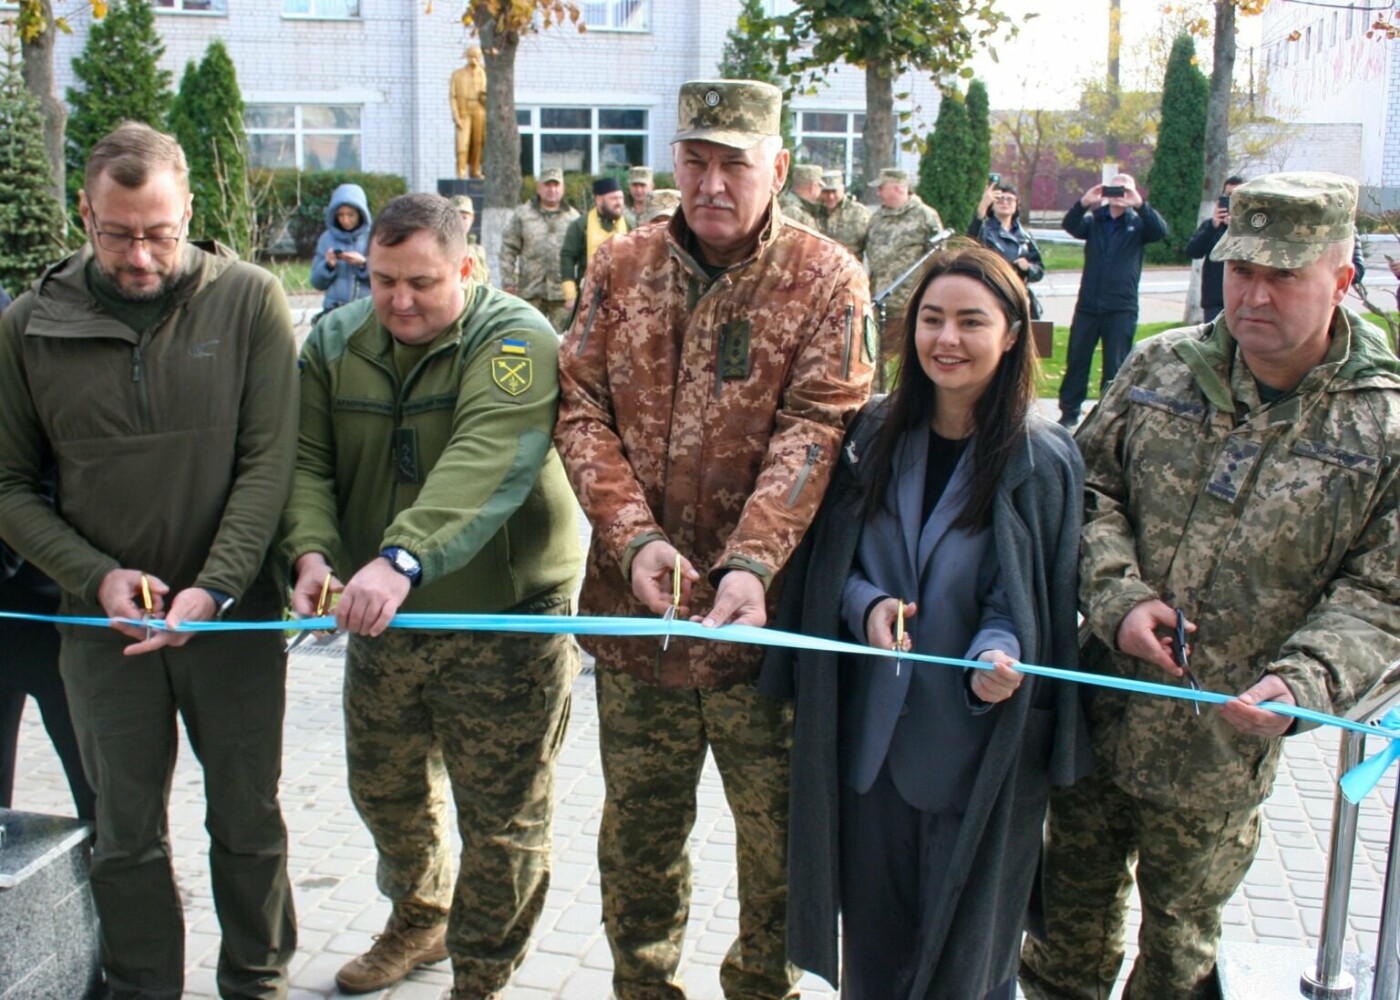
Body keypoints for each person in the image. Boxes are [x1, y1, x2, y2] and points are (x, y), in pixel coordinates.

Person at [1019, 172, 1400, 999]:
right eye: (1241, 269)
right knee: (1058, 948)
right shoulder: (1161, 368)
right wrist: (1117, 599)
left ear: (1341, 278)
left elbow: (1382, 592)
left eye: (1284, 275)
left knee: (1179, 961)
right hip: (1101, 716)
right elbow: (1085, 490)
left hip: (1222, 754)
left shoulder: (1382, 423)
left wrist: (1305, 682)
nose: (1254, 295)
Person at [554, 78, 874, 1000]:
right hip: (636, 623)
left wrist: (750, 562)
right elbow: (579, 409)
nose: (712, 184)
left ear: (779, 168)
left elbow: (819, 428)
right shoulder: (621, 268)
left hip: (755, 636)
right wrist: (630, 537)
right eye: (694, 161)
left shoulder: (826, 279)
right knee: (638, 844)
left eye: (735, 163)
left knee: (774, 854)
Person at [0, 121, 298, 998]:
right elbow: (9, 485)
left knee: (247, 821)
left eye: (160, 232)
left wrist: (214, 587)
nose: (139, 256)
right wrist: (92, 576)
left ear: (189, 212)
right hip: (102, 628)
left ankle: (258, 979)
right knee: (124, 833)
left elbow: (268, 465)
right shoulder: (30, 326)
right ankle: (140, 986)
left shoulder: (248, 302)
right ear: (83, 213)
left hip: (232, 621)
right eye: (118, 232)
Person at [762, 242, 1090, 999]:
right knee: (872, 966)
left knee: (969, 968)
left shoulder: (1040, 458)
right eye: (931, 319)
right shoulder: (872, 437)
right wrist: (867, 607)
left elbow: (1029, 598)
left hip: (974, 756)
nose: (947, 339)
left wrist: (994, 664)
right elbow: (832, 569)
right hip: (871, 752)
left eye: (971, 322)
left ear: (1013, 335)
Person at [281, 193, 581, 1000]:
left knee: (504, 815)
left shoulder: (516, 336)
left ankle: (481, 978)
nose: (400, 302)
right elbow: (305, 463)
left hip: (504, 616)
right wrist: (310, 553)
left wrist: (401, 556)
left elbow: (491, 452)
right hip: (388, 616)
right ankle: (420, 919)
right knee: (384, 784)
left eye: (422, 283)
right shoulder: (336, 342)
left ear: (468, 268)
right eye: (382, 281)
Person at [0, 285, 96, 825]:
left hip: (47, 611)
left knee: (101, 799)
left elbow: (32, 477)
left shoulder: (19, 340)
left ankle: (114, 907)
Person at [1056, 173, 1168, 428]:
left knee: (1115, 365)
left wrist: (1139, 205)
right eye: (1114, 190)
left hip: (1121, 307)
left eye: (1124, 190)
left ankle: (1109, 412)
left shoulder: (1139, 225)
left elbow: (1161, 231)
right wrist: (1085, 202)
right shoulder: (1095, 221)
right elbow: (1070, 225)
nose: (1119, 196)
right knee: (1077, 359)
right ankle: (1069, 411)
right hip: (1088, 305)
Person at [866, 167, 945, 361]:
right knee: (873, 352)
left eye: (881, 188)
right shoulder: (877, 217)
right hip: (880, 297)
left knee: (911, 353)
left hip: (909, 298)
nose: (878, 193)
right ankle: (877, 390)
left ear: (898, 189)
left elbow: (939, 256)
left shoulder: (924, 215)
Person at [499, 166, 579, 331]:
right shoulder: (523, 215)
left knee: (563, 344)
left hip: (562, 296)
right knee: (530, 340)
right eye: (547, 185)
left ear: (563, 188)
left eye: (556, 185)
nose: (552, 190)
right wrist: (508, 282)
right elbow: (508, 248)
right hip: (530, 292)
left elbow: (582, 255)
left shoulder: (573, 218)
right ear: (539, 188)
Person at [968, 181, 1045, 318]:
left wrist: (1028, 267)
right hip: (991, 295)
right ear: (992, 205)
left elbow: (1039, 270)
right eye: (999, 199)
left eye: (1010, 199)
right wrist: (981, 208)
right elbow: (970, 246)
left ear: (1016, 204)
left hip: (1018, 297)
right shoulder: (984, 231)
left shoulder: (1024, 236)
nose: (1005, 202)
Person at [560, 176, 629, 316]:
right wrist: (570, 295)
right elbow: (567, 257)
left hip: (621, 297)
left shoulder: (630, 224)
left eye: (621, 198)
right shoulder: (580, 225)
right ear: (599, 200)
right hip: (587, 297)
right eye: (613, 199)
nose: (619, 203)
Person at [1185, 174, 1245, 322]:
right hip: (1215, 301)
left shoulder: (1251, 229)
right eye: (1228, 196)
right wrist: (1213, 227)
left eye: (1237, 196)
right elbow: (1193, 251)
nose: (1232, 201)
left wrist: (1238, 228)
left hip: (1243, 299)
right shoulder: (1211, 226)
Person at [310, 181, 372, 316]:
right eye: (340, 215)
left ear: (360, 214)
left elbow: (384, 279)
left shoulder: (374, 237)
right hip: (334, 313)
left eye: (350, 214)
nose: (345, 220)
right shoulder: (326, 239)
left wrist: (363, 264)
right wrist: (328, 266)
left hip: (366, 312)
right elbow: (316, 283)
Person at [449, 45, 486, 179]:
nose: (473, 59)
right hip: (464, 110)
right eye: (471, 56)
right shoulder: (457, 74)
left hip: (480, 110)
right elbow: (452, 96)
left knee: (478, 142)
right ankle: (461, 171)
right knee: (462, 143)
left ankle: (475, 170)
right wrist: (456, 115)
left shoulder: (484, 73)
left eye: (476, 56)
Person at [819, 169, 870, 259]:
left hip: (849, 269)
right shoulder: (814, 212)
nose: (830, 196)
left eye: (834, 191)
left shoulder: (859, 213)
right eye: (826, 192)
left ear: (842, 189)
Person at [451, 194, 491, 286]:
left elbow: (487, 284)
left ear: (472, 219)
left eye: (464, 217)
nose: (460, 221)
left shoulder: (478, 251)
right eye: (456, 217)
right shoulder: (442, 250)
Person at [780, 162, 824, 228]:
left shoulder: (783, 201)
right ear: (812, 187)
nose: (821, 191)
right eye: (819, 186)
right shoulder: (795, 212)